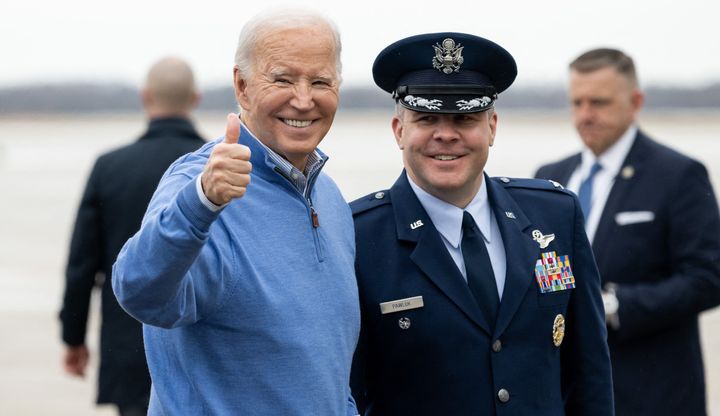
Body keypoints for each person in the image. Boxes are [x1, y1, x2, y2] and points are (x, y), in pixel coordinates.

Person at [350, 32, 614, 415]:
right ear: (399, 131)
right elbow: (348, 391)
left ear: (491, 127)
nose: (446, 134)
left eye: (464, 118)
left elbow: (589, 374)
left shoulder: (554, 214)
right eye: (426, 118)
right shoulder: (358, 236)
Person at [112, 9, 360, 415]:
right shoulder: (202, 183)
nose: (303, 98)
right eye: (282, 78)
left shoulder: (329, 197)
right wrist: (202, 202)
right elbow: (139, 292)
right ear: (242, 87)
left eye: (320, 81)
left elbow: (327, 370)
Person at [535, 48, 720, 416]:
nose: (585, 115)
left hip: (651, 392)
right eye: (578, 102)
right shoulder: (548, 177)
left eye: (599, 102)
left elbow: (708, 278)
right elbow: (544, 264)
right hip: (562, 392)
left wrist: (615, 307)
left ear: (635, 102)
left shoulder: (679, 175)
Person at [59, 56, 205, 416]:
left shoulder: (110, 166)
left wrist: (73, 338)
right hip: (202, 349)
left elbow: (82, 264)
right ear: (195, 99)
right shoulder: (224, 167)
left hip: (128, 346)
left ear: (145, 97)